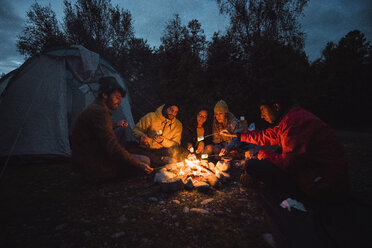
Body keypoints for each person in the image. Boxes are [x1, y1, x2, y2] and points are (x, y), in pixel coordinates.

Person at [220, 89, 350, 202]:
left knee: (253, 165)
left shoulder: (296, 123)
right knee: (270, 153)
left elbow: (290, 165)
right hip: (317, 175)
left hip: (323, 186)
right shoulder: (291, 119)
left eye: (263, 110)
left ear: (276, 107)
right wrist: (237, 136)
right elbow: (266, 136)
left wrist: (261, 154)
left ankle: (270, 185)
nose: (261, 115)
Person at [71, 77, 153, 182]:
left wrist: (116, 125)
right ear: (105, 95)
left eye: (120, 98)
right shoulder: (99, 112)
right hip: (91, 161)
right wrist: (138, 164)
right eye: (116, 97)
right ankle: (101, 173)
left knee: (121, 131)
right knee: (145, 161)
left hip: (92, 153)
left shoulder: (98, 107)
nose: (119, 101)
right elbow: (112, 146)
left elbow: (99, 130)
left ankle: (121, 159)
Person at [131, 101, 183, 166]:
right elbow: (135, 130)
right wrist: (141, 136)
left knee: (178, 151)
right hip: (147, 149)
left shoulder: (177, 125)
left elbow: (176, 143)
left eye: (175, 112)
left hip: (163, 151)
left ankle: (160, 160)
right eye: (171, 110)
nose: (173, 113)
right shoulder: (151, 117)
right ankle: (160, 160)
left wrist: (163, 141)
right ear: (165, 108)